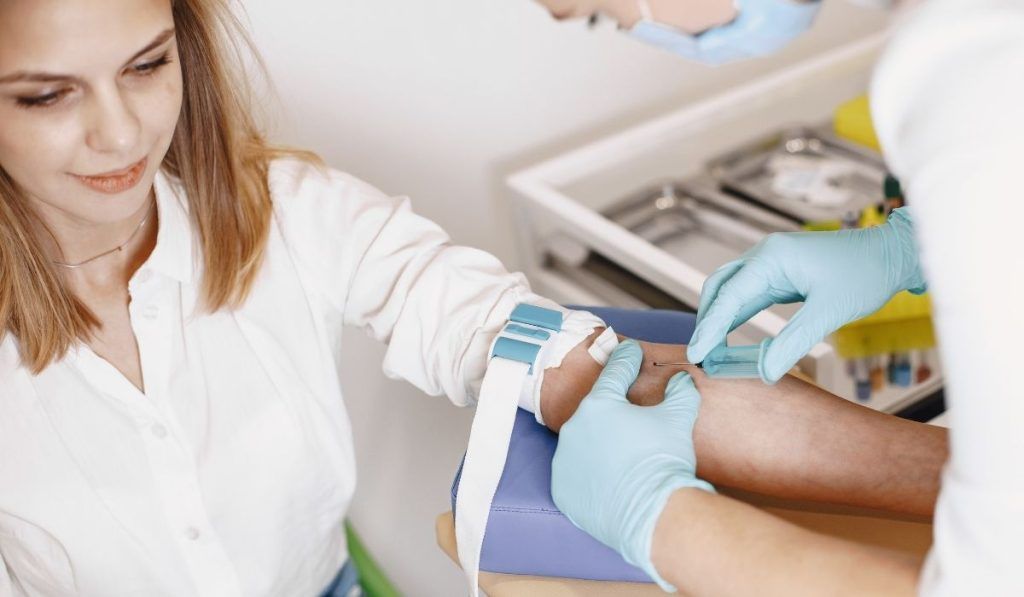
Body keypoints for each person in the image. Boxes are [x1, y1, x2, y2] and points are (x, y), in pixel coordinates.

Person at [0, 0, 950, 595]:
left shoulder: (281, 212)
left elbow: (517, 338)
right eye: (44, 96)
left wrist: (962, 478)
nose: (121, 133)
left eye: (146, 65)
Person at [545, 0, 1024, 595]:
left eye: (596, 11)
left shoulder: (969, 58)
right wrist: (917, 240)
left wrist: (658, 518)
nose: (631, 27)